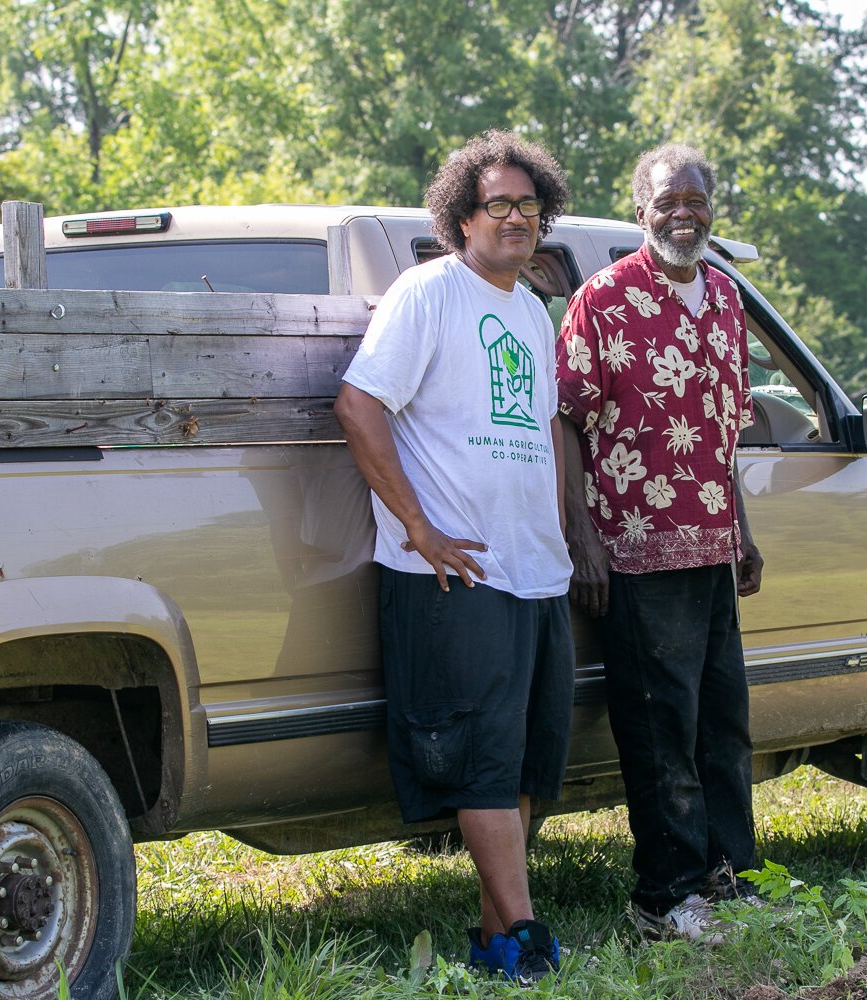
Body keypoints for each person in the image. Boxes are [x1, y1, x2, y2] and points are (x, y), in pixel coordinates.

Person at [335, 130, 573, 985]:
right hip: (452, 573)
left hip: (532, 568)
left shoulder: (532, 313)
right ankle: (530, 935)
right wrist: (419, 528)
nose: (514, 218)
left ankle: (495, 941)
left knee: (519, 768)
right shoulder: (428, 292)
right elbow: (360, 406)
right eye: (496, 204)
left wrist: (567, 538)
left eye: (527, 204)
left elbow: (539, 432)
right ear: (461, 217)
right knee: (478, 764)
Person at [555, 143, 764, 943]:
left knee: (723, 722)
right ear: (640, 211)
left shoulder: (723, 300)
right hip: (634, 550)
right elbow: (567, 421)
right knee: (659, 725)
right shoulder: (604, 300)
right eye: (666, 201)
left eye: (695, 200)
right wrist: (582, 536)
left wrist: (742, 529)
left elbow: (724, 432)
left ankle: (730, 876)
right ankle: (665, 898)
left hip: (710, 545)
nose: (683, 214)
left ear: (711, 207)